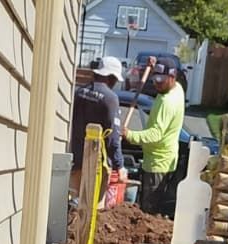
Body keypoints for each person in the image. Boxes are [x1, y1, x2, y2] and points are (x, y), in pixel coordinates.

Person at [122, 66, 185, 217]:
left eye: (161, 81)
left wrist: (129, 135)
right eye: (155, 79)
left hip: (157, 163)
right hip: (166, 158)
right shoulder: (177, 89)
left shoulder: (166, 102)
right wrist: (152, 67)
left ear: (172, 77)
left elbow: (155, 134)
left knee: (149, 211)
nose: (157, 84)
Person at [69, 57, 125, 189]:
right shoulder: (110, 98)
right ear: (111, 77)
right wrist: (120, 165)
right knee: (94, 206)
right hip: (97, 165)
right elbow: (113, 137)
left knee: (75, 201)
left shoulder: (80, 92)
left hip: (76, 160)